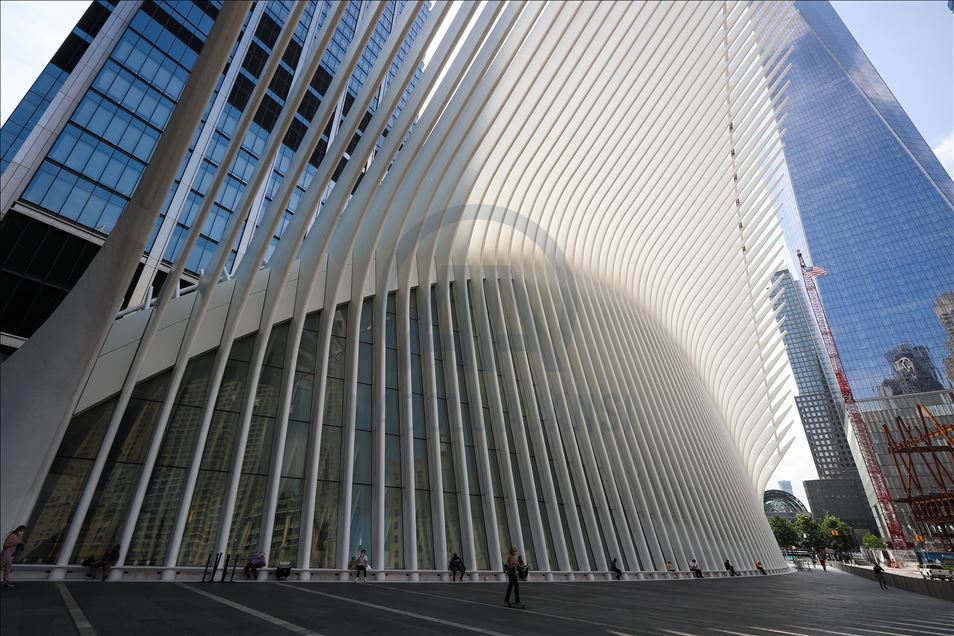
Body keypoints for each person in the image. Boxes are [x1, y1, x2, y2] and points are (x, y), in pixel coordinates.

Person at [2, 525, 25, 589]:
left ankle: (6, 583)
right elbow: (5, 546)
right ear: (18, 530)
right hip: (6, 554)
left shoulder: (18, 537)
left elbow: (17, 545)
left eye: (23, 531)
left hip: (10, 555)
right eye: (21, 530)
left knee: (8, 569)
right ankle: (6, 583)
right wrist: (15, 543)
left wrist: (20, 545)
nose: (21, 532)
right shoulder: (12, 536)